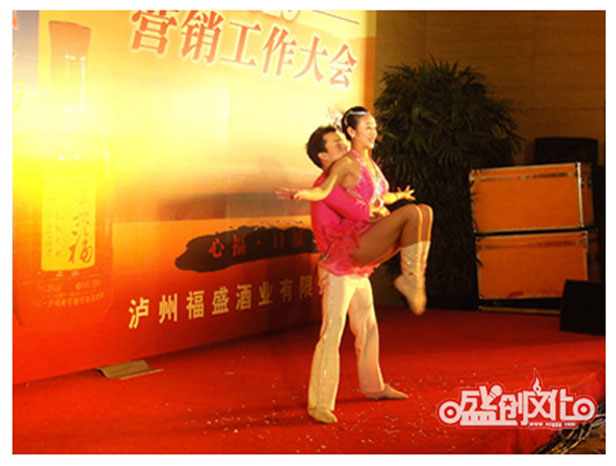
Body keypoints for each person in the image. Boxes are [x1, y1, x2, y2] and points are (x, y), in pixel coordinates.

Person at [279, 125, 409, 424]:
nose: (344, 146)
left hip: (355, 266)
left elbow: (372, 201)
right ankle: (319, 403)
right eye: (337, 144)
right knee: (332, 331)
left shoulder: (347, 180)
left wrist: (387, 200)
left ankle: (374, 386)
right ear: (322, 156)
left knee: (367, 327)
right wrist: (379, 211)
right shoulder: (326, 185)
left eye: (343, 141)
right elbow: (362, 211)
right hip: (337, 269)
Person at [277, 106, 433, 315]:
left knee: (425, 211)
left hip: (373, 233)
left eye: (374, 127)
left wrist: (398, 196)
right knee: (412, 213)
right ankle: (410, 280)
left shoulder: (370, 164)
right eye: (367, 128)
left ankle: (414, 278)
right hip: (355, 243)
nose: (373, 133)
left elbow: (379, 196)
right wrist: (303, 193)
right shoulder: (345, 164)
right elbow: (324, 190)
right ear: (352, 132)